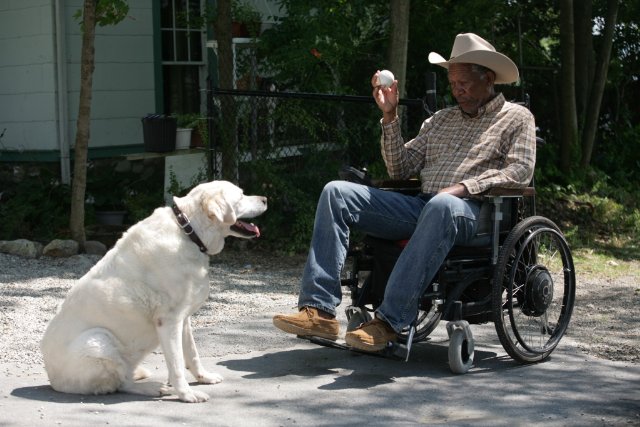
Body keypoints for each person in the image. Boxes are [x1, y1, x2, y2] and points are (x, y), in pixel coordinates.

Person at [272, 33, 536, 352]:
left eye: (464, 82)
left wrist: (464, 187)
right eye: (453, 83)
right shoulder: (440, 120)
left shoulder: (516, 118)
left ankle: (390, 321)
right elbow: (400, 169)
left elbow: (519, 171)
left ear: (489, 78)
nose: (457, 89)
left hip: (478, 215)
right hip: (424, 207)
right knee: (336, 192)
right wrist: (390, 116)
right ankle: (320, 311)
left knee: (443, 205)